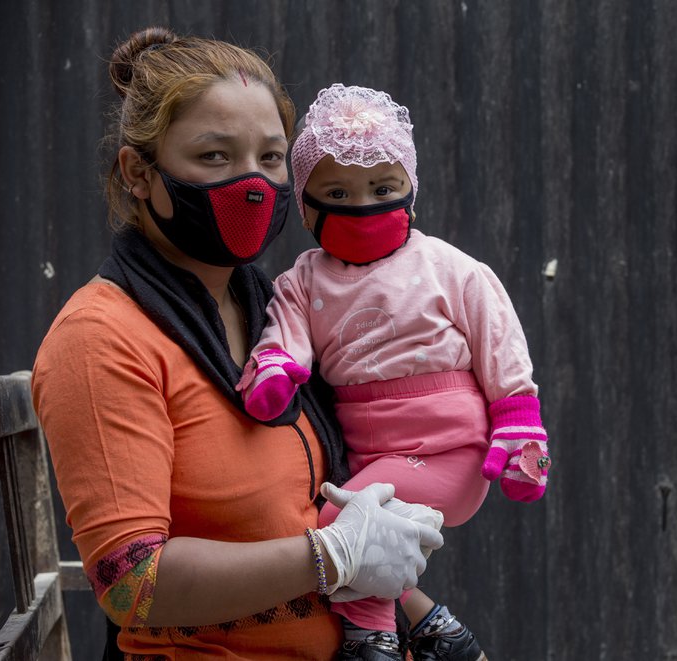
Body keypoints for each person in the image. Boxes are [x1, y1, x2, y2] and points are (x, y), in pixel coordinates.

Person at [30, 28, 444, 660]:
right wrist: (331, 556)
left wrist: (437, 625)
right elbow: (131, 583)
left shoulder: (277, 312)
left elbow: (316, 514)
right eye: (215, 157)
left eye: (270, 158)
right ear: (139, 173)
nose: (251, 183)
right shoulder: (102, 338)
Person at [235, 83, 553, 661]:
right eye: (338, 192)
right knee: (364, 521)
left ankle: (372, 635)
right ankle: (435, 628)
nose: (362, 206)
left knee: (341, 519)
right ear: (307, 207)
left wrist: (521, 432)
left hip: (453, 454)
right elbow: (286, 332)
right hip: (375, 456)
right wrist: (275, 369)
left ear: (409, 191)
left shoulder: (448, 268)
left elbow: (500, 344)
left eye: (382, 188)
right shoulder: (305, 280)